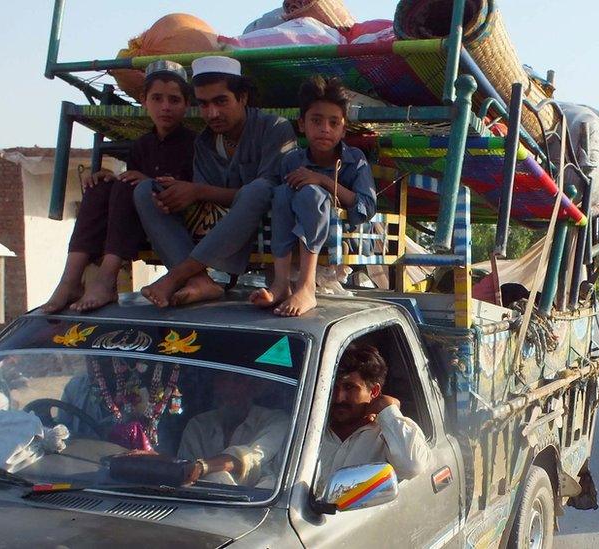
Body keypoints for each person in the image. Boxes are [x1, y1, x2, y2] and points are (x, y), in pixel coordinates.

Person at [135, 56, 297, 307]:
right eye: (203, 104)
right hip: (219, 227)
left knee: (259, 189)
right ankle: (200, 280)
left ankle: (178, 275)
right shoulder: (204, 142)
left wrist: (198, 190)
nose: (212, 113)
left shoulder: (275, 128)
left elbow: (271, 192)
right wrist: (177, 193)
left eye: (221, 101)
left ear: (242, 98)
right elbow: (208, 203)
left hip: (265, 222)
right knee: (147, 190)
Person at [43, 61, 196, 313]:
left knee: (128, 186)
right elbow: (132, 182)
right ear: (144, 101)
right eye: (157, 99)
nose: (165, 107)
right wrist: (110, 179)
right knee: (99, 186)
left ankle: (106, 280)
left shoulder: (193, 143)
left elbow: (187, 190)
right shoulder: (141, 145)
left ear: (186, 105)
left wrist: (146, 182)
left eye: (174, 100)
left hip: (171, 218)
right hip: (134, 218)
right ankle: (70, 280)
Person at [250, 76, 376, 316]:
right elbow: (281, 208)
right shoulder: (291, 160)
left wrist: (324, 181)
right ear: (302, 124)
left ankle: (306, 286)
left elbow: (366, 207)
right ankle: (281, 283)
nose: (324, 129)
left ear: (343, 128)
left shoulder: (355, 159)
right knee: (281, 192)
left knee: (311, 194)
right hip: (295, 233)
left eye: (333, 122)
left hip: (339, 236)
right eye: (316, 121)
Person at [318, 343, 429, 487]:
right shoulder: (307, 427)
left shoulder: (388, 435)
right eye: (334, 387)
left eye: (350, 387)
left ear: (374, 391)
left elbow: (412, 467)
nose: (339, 398)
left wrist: (388, 409)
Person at [178, 372, 290, 487]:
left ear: (253, 387)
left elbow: (253, 457)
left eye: (237, 381)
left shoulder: (276, 421)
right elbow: (186, 474)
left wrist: (203, 467)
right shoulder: (198, 425)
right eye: (223, 380)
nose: (228, 388)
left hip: (259, 503)